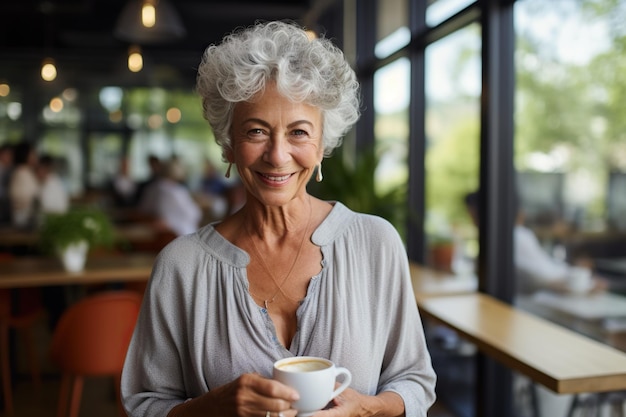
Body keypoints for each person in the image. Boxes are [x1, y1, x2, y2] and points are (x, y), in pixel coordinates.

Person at [121, 20, 436, 417]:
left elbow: (415, 379)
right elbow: (144, 404)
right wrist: (209, 408)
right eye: (256, 131)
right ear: (229, 146)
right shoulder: (182, 266)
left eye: (299, 133)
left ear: (322, 144)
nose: (278, 155)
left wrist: (368, 409)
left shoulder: (375, 242)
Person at [464, 190, 608, 295]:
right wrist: (584, 282)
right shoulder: (514, 236)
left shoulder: (513, 236)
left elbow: (542, 269)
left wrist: (582, 280)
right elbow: (541, 273)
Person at [137, 157, 203, 236]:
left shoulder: (151, 188)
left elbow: (143, 209)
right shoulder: (178, 191)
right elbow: (195, 214)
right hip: (180, 234)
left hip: (158, 235)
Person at [8, 142, 39, 228]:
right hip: (23, 217)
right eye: (32, 154)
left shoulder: (28, 171)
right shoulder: (20, 172)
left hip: (28, 216)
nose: (35, 157)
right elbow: (16, 196)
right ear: (25, 155)